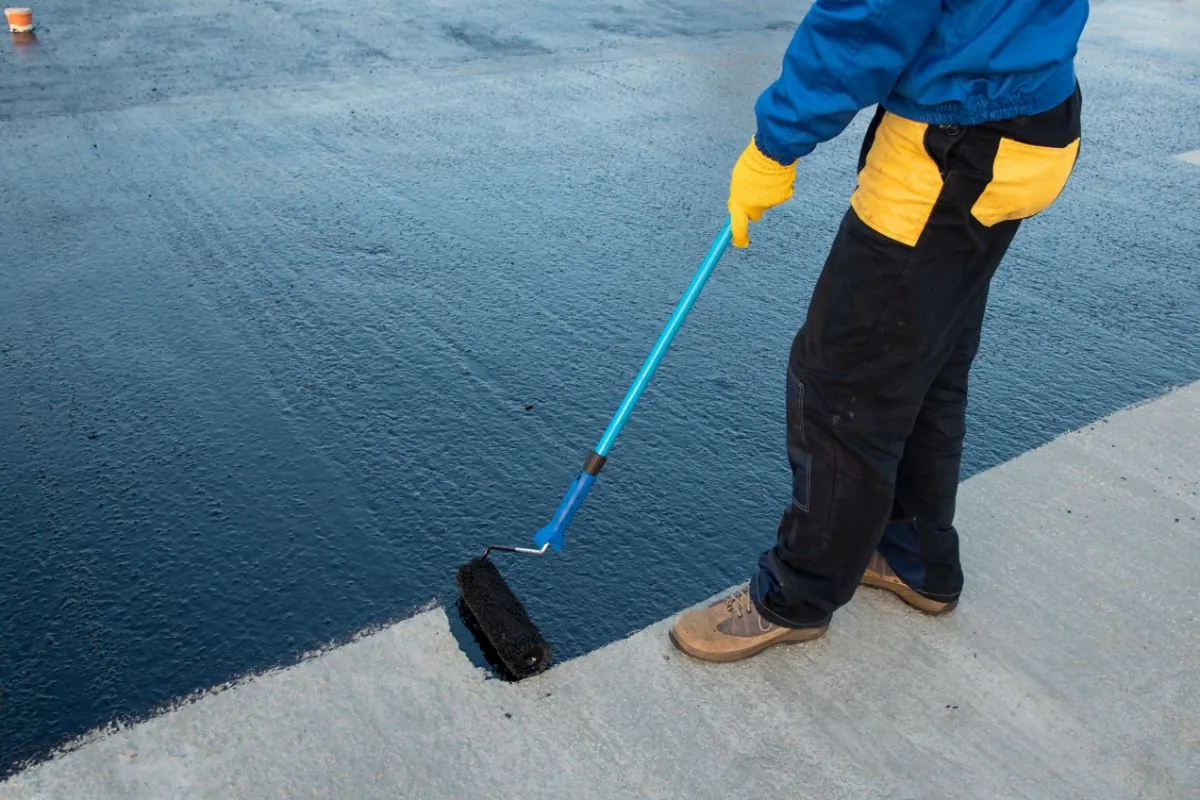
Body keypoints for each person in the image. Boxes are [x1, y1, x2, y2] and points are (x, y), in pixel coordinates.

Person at [670, 0, 1088, 663]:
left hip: (953, 141)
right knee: (926, 362)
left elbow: (868, 18)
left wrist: (776, 142)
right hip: (1028, 117)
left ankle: (798, 594)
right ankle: (912, 555)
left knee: (843, 383)